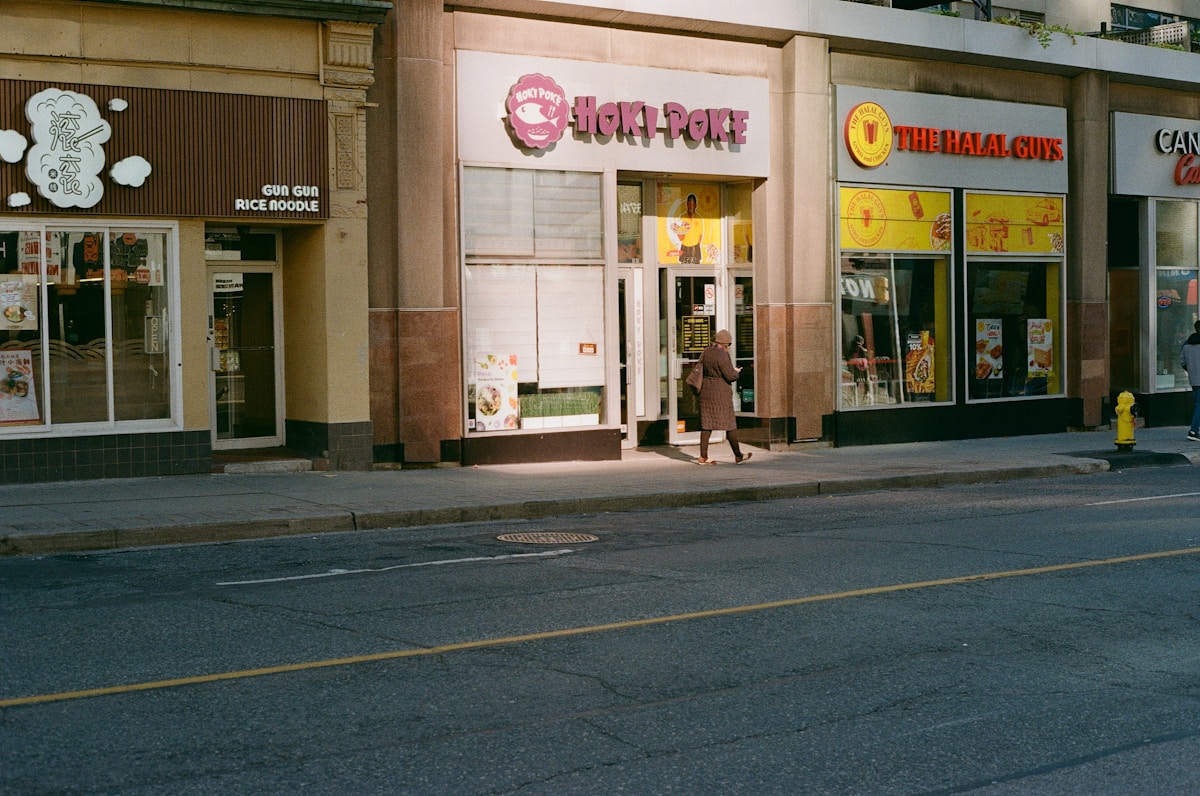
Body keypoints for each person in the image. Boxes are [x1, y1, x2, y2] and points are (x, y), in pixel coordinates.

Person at [696, 328, 752, 465]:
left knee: (706, 425)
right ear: (725, 344)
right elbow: (730, 376)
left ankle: (703, 457)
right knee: (730, 425)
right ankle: (738, 455)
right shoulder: (723, 355)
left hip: (706, 391)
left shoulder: (706, 352)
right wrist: (736, 372)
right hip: (721, 394)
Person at [1180, 319, 1200, 441]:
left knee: (1198, 404)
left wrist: (1192, 371)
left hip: (1194, 379)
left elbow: (1182, 361)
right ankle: (1193, 431)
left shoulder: (1187, 344)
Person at [677, 193, 703, 264]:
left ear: (695, 206)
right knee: (683, 271)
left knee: (696, 271)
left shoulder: (699, 218)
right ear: (687, 205)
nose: (691, 207)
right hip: (685, 248)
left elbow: (700, 235)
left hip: (695, 248)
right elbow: (680, 236)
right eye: (689, 205)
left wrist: (695, 245)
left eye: (692, 205)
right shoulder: (682, 217)